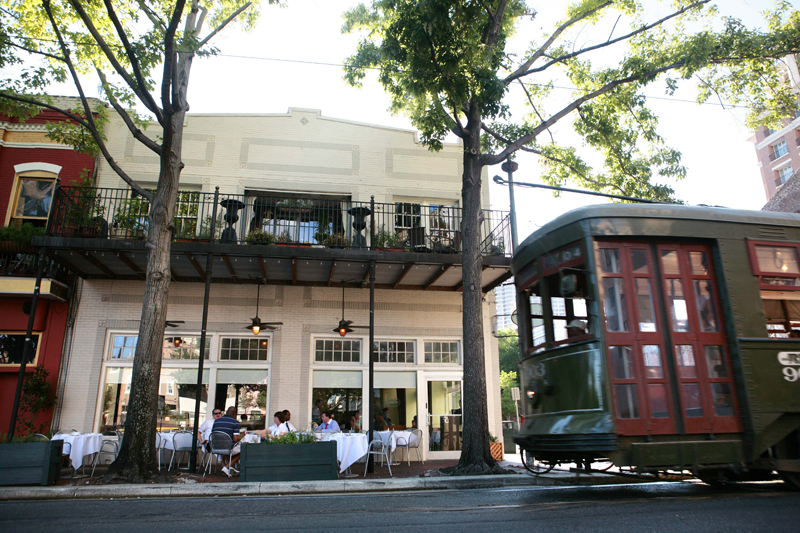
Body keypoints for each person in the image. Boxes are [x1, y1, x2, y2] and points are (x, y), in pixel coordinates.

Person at [211, 406, 241, 477]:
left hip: (216, 447)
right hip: (228, 448)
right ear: (234, 414)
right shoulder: (235, 422)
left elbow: (213, 434)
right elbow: (235, 439)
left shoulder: (216, 421)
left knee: (228, 445)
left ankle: (230, 468)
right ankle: (227, 467)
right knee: (244, 448)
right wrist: (242, 435)